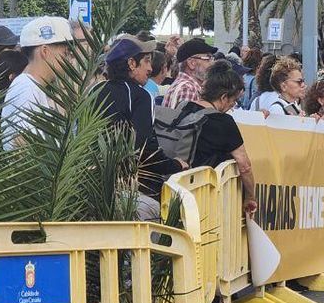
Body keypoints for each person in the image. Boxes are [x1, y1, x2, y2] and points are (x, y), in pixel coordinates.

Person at [95, 37, 187, 200]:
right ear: (131, 63)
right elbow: (144, 150)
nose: (150, 68)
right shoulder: (141, 96)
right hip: (125, 190)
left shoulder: (95, 90)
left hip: (92, 185)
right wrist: (175, 165)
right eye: (146, 61)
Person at [173, 61, 259, 215]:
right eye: (233, 101)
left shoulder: (184, 107)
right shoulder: (223, 122)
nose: (232, 106)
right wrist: (250, 197)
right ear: (224, 97)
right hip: (205, 196)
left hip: (175, 186)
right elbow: (244, 165)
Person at [1, 17, 75, 150]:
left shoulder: (32, 85)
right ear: (45, 51)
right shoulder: (26, 87)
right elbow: (22, 142)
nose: (69, 60)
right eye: (65, 53)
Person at [163, 38, 217, 109]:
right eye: (208, 58)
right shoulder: (188, 89)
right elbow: (189, 120)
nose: (212, 63)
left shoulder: (185, 85)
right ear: (192, 63)